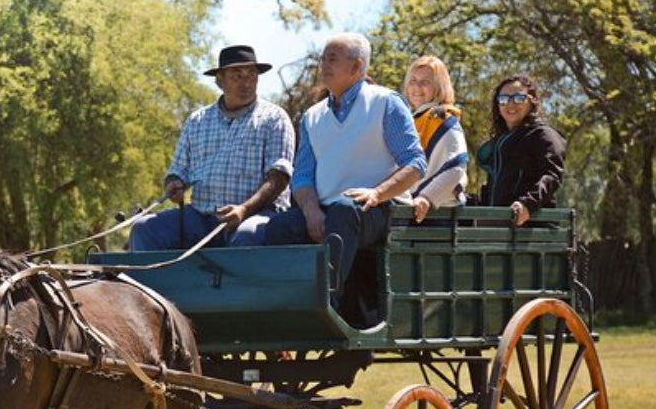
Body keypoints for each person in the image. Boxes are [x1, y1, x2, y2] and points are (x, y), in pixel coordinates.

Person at [264, 33, 426, 301]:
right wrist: (311, 210)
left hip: (379, 208)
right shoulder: (312, 116)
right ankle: (284, 303)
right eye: (323, 59)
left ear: (356, 67)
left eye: (332, 59)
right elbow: (302, 176)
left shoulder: (386, 103)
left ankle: (326, 303)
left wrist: (377, 193)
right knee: (280, 226)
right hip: (329, 209)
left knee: (343, 212)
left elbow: (415, 163)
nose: (324, 66)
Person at [128, 45, 295, 250]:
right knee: (144, 228)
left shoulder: (274, 119)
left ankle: (240, 283)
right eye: (237, 76)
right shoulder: (197, 121)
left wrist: (243, 210)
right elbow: (178, 172)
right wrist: (174, 184)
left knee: (247, 234)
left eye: (251, 74)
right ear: (219, 81)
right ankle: (148, 282)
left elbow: (278, 179)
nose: (246, 82)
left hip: (257, 214)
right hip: (201, 216)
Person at [475, 74, 566, 226]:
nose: (510, 104)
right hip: (498, 229)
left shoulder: (543, 134)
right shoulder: (501, 142)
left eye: (518, 98)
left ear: (532, 100)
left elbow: (552, 175)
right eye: (503, 99)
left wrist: (527, 205)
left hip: (531, 232)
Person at [402, 56, 468, 222]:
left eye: (425, 82)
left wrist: (426, 197)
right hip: (410, 209)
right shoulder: (412, 120)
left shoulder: (442, 118)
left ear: (439, 87)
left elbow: (456, 167)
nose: (417, 87)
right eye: (413, 81)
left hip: (436, 214)